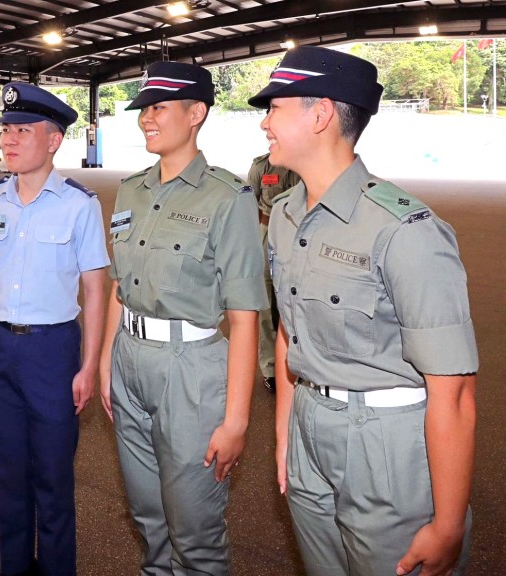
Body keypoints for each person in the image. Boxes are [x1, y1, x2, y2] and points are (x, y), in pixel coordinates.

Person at [249, 45, 479, 576]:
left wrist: (447, 524)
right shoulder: (284, 215)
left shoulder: (405, 230)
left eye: (275, 108)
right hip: (309, 427)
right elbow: (289, 333)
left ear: (321, 114)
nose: (265, 124)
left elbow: (456, 391)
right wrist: (285, 435)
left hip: (385, 445)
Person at [98, 62, 266, 575]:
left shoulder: (228, 197)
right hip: (130, 359)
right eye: (144, 110)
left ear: (197, 113)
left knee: (194, 530)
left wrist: (236, 419)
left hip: (190, 369)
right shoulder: (131, 189)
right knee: (148, 519)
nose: (146, 119)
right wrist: (107, 360)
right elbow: (119, 287)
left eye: (159, 108)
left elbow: (244, 317)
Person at [0, 82, 108, 576]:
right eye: (5, 129)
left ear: (53, 141)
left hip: (52, 350)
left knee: (52, 476)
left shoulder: (79, 205)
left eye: (22, 130)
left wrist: (90, 364)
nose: (8, 139)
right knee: (7, 474)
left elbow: (95, 289)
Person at [246, 153, 301, 391]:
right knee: (267, 305)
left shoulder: (306, 163)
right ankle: (271, 367)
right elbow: (249, 205)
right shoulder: (261, 166)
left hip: (299, 235)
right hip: (267, 233)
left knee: (296, 302)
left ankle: (299, 364)